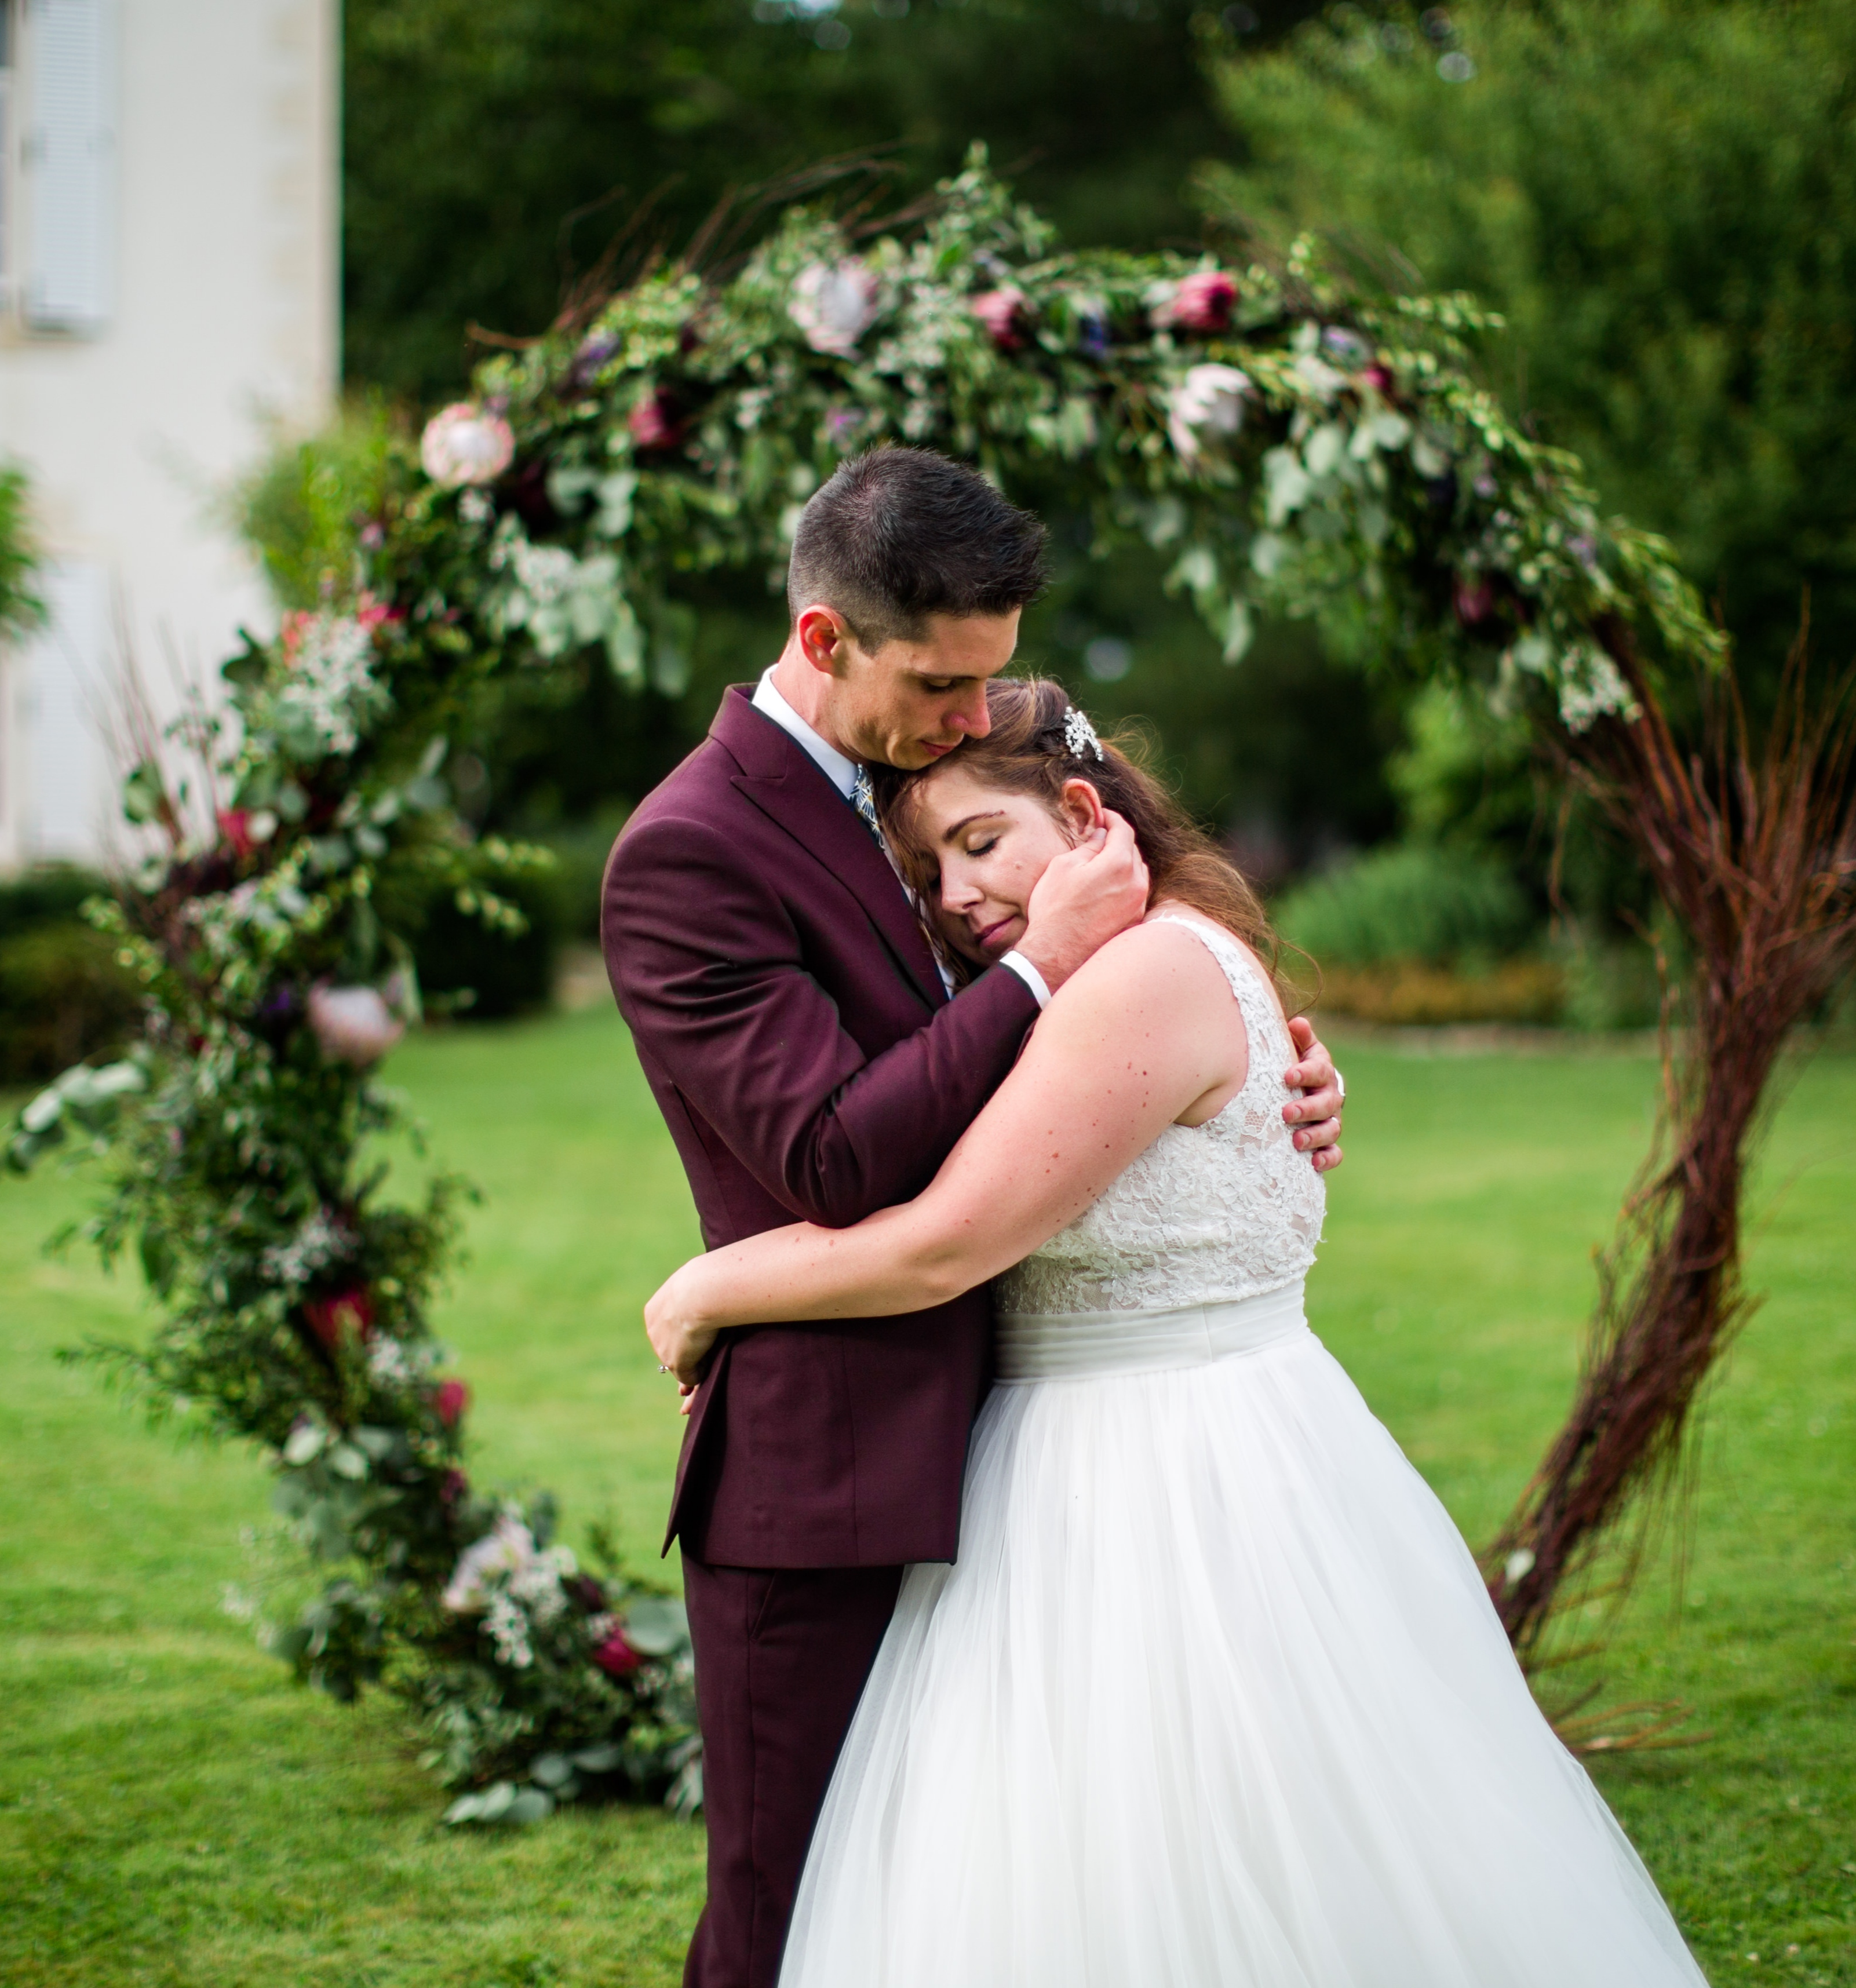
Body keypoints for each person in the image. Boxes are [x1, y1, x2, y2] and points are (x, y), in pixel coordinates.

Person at [643, 677, 1712, 1988]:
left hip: (1149, 1477)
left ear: (1083, 813)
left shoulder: (1136, 973)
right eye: (932, 872)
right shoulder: (1166, 953)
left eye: (983, 843)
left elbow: (950, 1242)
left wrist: (708, 1292)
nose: (961, 896)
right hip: (1164, 1442)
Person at [599, 448, 1346, 1988]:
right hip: (832, 1482)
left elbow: (1082, 1078)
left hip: (1042, 1467)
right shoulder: (694, 849)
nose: (968, 721)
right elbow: (825, 1151)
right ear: (825, 641)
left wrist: (1254, 1080)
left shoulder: (920, 784)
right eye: (941, 685)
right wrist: (1036, 969)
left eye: (988, 684)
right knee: (794, 1927)